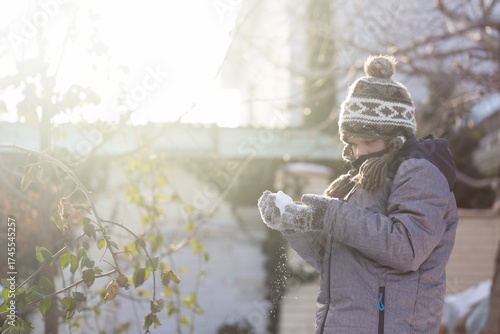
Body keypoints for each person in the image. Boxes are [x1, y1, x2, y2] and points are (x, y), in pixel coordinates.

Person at [258, 55, 459, 334]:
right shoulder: (358, 183)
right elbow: (336, 259)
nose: (359, 152)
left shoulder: (421, 174)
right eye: (352, 143)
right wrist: (294, 222)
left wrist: (330, 213)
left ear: (396, 139)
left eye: (368, 141)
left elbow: (406, 249)